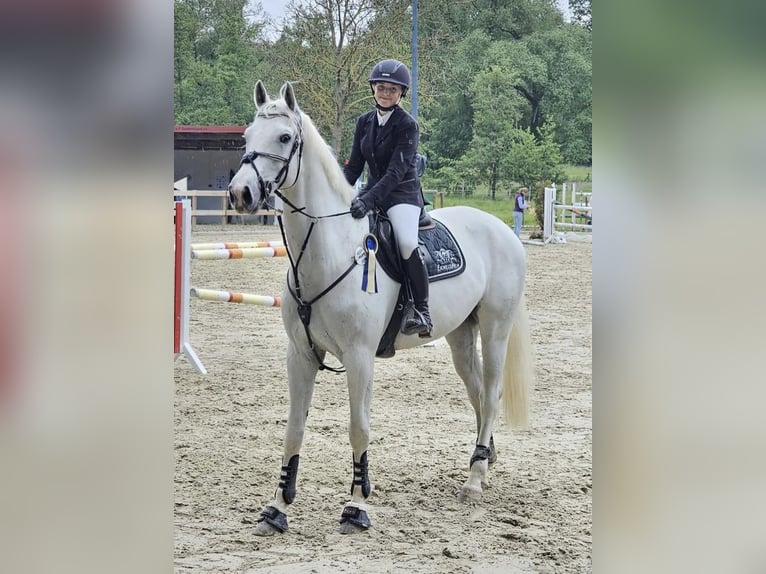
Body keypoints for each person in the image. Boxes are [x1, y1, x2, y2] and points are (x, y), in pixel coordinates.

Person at [344, 59, 432, 338]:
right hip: (372, 192)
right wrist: (339, 193)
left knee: (406, 242)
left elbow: (395, 172)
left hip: (402, 195)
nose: (385, 93)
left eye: (392, 89)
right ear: (373, 89)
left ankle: (421, 309)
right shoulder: (364, 122)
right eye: (381, 87)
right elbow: (354, 167)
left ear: (401, 93)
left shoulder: (407, 125)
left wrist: (368, 201)